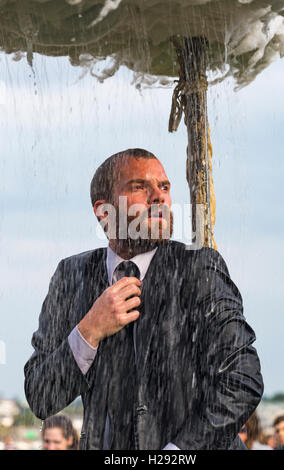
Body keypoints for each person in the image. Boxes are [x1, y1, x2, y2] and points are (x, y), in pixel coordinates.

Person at [24, 148, 264, 450]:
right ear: (104, 211)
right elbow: (40, 396)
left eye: (164, 187)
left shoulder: (198, 267)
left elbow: (243, 378)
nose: (160, 197)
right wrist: (88, 331)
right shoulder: (72, 275)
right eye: (140, 186)